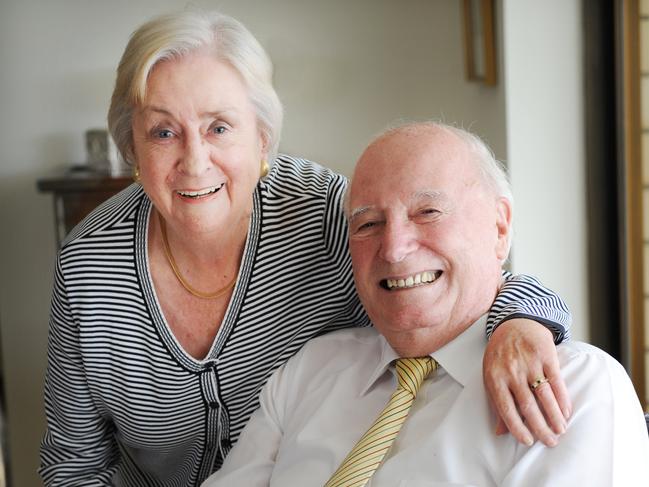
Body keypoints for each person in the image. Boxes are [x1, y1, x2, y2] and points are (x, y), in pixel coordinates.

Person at [39, 11, 573, 487]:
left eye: (219, 127)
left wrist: (518, 322)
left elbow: (456, 271)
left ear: (263, 139)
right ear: (131, 147)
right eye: (162, 132)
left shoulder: (324, 213)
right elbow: (73, 467)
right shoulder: (89, 266)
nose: (194, 160)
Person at [203, 122, 649, 487]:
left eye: (428, 213)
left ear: (499, 227)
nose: (394, 248)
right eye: (368, 223)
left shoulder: (575, 387)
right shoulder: (310, 371)